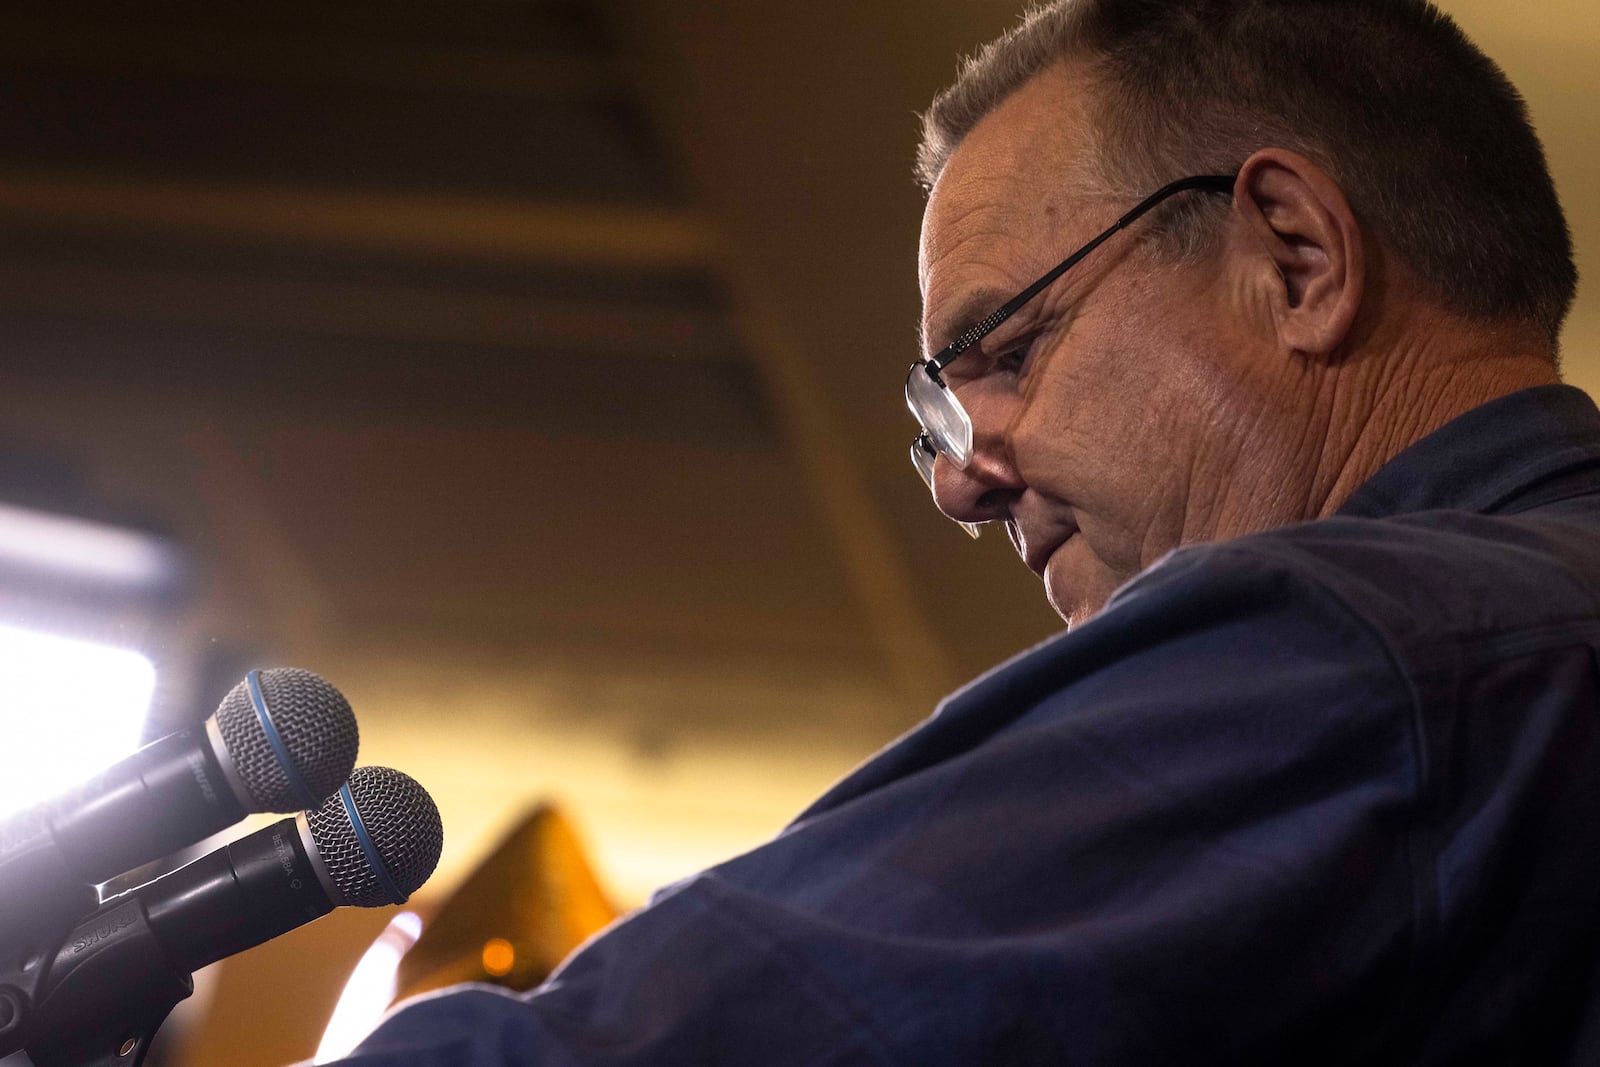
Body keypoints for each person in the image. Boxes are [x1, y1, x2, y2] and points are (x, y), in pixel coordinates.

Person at [323, 0, 1600, 1062]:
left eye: (1006, 348)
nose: (959, 482)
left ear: (1296, 255)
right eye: (942, 409)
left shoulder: (1374, 654)